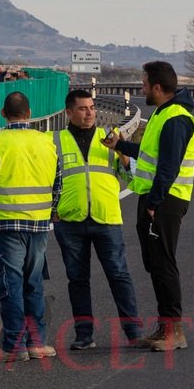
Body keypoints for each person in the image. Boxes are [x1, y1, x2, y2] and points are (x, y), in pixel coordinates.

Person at [102, 61, 194, 352]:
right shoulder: (161, 114)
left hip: (166, 199)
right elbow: (148, 155)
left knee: (164, 262)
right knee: (154, 263)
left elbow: (168, 167)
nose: (142, 89)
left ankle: (175, 330)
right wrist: (119, 145)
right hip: (153, 198)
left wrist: (154, 204)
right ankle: (164, 327)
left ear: (157, 88)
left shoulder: (176, 119)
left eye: (144, 85)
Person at [0, 91, 61, 362]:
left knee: (10, 285)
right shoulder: (47, 142)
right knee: (33, 283)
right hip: (39, 225)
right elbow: (57, 186)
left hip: (4, 227)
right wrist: (48, 212)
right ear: (30, 114)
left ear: (3, 114)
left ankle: (14, 345)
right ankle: (37, 343)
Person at [52, 90, 143, 350]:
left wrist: (124, 152)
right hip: (70, 221)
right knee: (77, 280)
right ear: (69, 113)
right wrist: (51, 211)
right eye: (82, 109)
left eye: (91, 107)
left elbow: (131, 178)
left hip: (106, 218)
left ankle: (134, 331)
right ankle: (84, 334)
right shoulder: (55, 141)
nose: (90, 112)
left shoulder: (109, 138)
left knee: (119, 275)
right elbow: (44, 179)